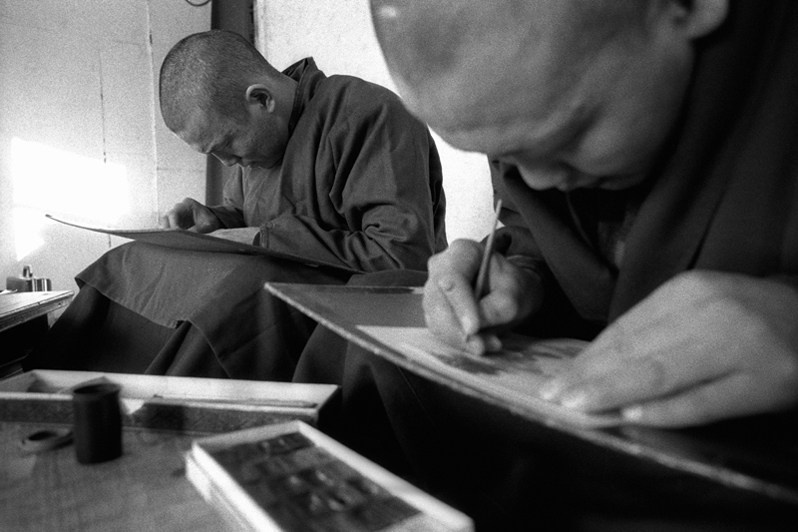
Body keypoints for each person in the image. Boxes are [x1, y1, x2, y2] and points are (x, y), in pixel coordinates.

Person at [291, 1, 798, 529]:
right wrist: (515, 273)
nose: (534, 183)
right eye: (505, 156)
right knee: (372, 348)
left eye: (568, 139)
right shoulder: (542, 112)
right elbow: (534, 230)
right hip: (584, 407)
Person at [25, 29, 446, 379]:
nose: (227, 162)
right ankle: (58, 390)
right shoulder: (256, 142)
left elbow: (400, 257)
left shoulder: (368, 114)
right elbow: (246, 218)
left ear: (261, 99)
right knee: (131, 260)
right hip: (271, 281)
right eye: (213, 154)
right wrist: (213, 220)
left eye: (226, 146)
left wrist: (265, 237)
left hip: (347, 308)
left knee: (241, 295)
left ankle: (154, 414)